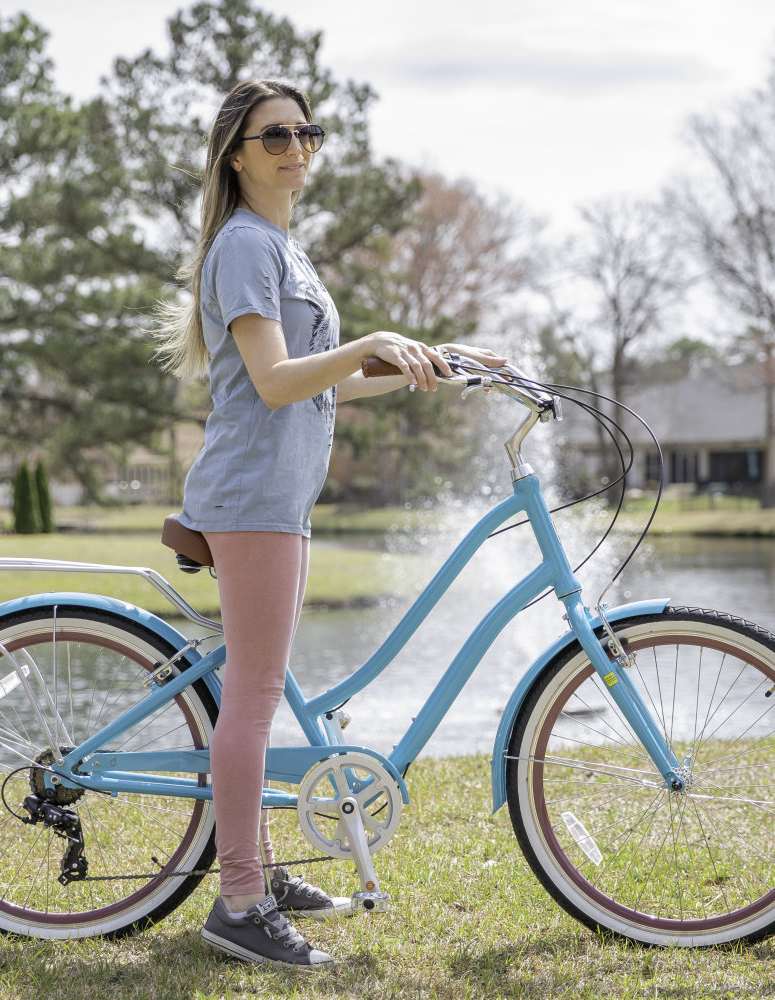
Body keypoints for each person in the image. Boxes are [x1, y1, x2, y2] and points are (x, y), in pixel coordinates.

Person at [154, 78, 505, 970]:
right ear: (236, 153)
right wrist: (370, 339)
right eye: (276, 137)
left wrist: (442, 362)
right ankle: (238, 902)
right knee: (256, 699)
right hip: (251, 499)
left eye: (307, 133)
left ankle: (258, 876)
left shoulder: (280, 247)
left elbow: (331, 379)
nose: (297, 149)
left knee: (259, 693)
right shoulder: (241, 245)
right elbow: (276, 380)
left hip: (281, 499)